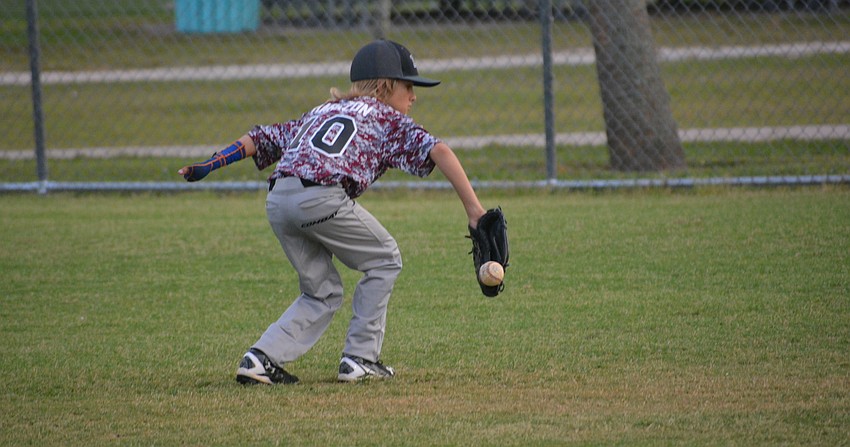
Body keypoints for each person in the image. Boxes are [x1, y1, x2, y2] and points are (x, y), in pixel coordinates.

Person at [178, 39, 487, 384]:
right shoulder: (386, 117)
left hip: (279, 199)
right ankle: (360, 358)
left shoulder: (323, 110)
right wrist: (474, 210)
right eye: (409, 86)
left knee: (321, 290)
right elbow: (439, 150)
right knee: (384, 259)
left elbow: (260, 138)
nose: (414, 96)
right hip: (320, 197)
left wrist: (210, 164)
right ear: (385, 85)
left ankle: (261, 358)